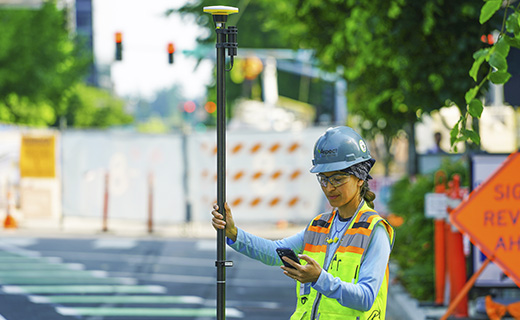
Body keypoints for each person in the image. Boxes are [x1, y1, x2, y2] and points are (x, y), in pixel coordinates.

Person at [211, 126, 395, 320]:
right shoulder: (319, 225)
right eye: (323, 179)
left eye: (338, 179)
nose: (329, 187)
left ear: (360, 178)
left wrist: (319, 278)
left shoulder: (375, 230)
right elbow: (275, 252)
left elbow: (365, 298)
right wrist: (233, 233)